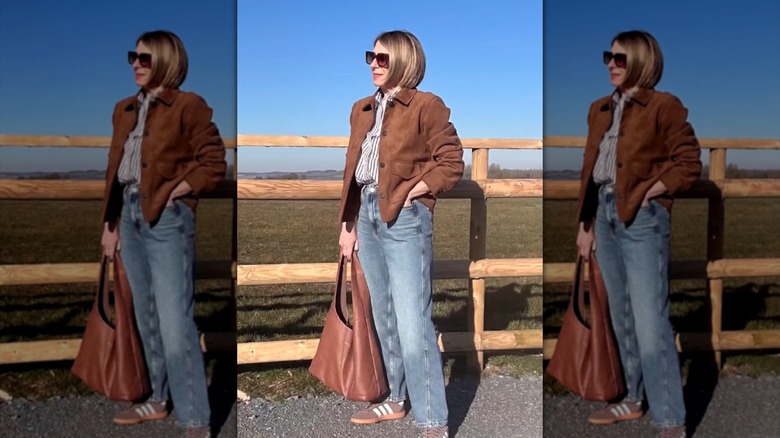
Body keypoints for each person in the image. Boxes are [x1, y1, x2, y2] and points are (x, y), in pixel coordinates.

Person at [337, 30, 464, 438]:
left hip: (405, 218)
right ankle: (395, 397)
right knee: (383, 314)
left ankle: (432, 421)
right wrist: (348, 225)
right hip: (367, 217)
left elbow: (451, 162)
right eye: (370, 56)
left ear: (405, 61)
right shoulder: (361, 109)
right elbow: (354, 175)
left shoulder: (427, 106)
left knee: (413, 320)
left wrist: (414, 190)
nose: (374, 63)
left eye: (383, 58)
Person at [99, 30, 226, 438]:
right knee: (145, 313)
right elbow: (116, 175)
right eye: (133, 56)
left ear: (167, 62)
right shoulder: (123, 109)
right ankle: (156, 397)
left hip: (168, 219)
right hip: (129, 218)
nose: (136, 63)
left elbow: (213, 163)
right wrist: (110, 226)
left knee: (175, 320)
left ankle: (195, 419)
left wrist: (176, 190)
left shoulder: (189, 106)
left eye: (146, 58)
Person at [575, 30, 702, 438]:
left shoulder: (664, 106)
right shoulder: (599, 109)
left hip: (643, 219)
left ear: (642, 63)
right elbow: (592, 175)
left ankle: (670, 420)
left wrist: (651, 191)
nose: (612, 64)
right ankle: (632, 397)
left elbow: (688, 163)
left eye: (621, 58)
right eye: (608, 57)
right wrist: (586, 226)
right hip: (605, 219)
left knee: (651, 321)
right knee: (621, 314)